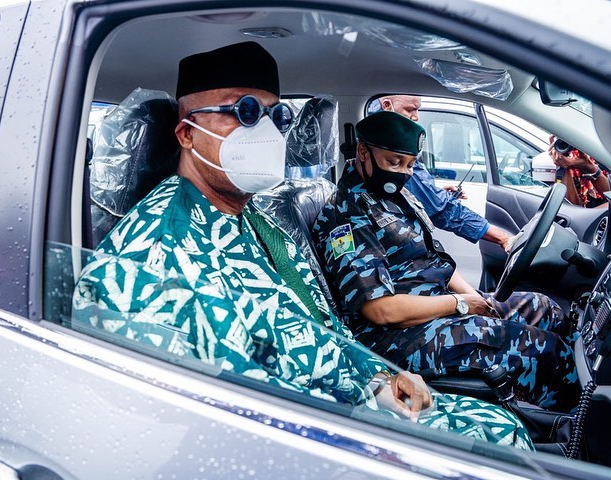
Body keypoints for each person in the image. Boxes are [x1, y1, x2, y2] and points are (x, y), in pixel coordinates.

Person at [73, 42, 533, 448]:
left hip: (355, 385)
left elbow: (314, 324)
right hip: (310, 429)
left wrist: (377, 373)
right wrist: (366, 398)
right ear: (187, 134)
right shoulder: (154, 251)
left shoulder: (253, 217)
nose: (267, 133)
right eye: (246, 111)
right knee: (500, 437)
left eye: (277, 115)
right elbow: (235, 401)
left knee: (501, 424)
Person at [313, 111, 579, 412]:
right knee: (545, 352)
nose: (403, 173)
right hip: (398, 339)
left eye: (411, 164)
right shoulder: (346, 216)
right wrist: (461, 305)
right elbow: (381, 310)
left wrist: (477, 300)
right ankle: (571, 428)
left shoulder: (396, 194)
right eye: (394, 162)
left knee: (545, 309)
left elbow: (435, 261)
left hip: (438, 310)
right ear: (364, 152)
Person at [369, 95, 514, 250]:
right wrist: (504, 238)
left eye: (417, 110)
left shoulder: (382, 141)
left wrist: (430, 193)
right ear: (386, 105)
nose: (416, 117)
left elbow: (416, 192)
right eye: (410, 109)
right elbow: (442, 209)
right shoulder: (392, 149)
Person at [547, 134, 609, 207]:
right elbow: (572, 208)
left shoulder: (605, 152)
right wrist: (562, 164)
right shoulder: (570, 158)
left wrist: (590, 167)